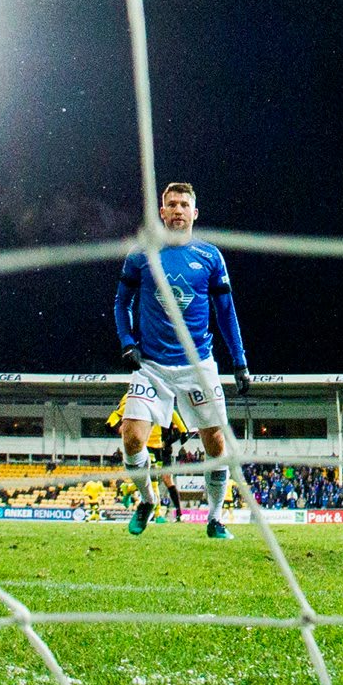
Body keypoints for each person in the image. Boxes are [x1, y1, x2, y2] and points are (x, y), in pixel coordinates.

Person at [113, 182, 249, 541]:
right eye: (171, 204)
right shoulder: (141, 254)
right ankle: (148, 501)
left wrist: (239, 361)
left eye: (184, 204)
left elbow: (226, 312)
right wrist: (127, 342)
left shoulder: (210, 256)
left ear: (194, 213)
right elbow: (121, 303)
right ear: (162, 212)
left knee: (216, 444)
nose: (177, 210)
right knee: (131, 438)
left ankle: (215, 518)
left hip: (198, 365)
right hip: (152, 365)